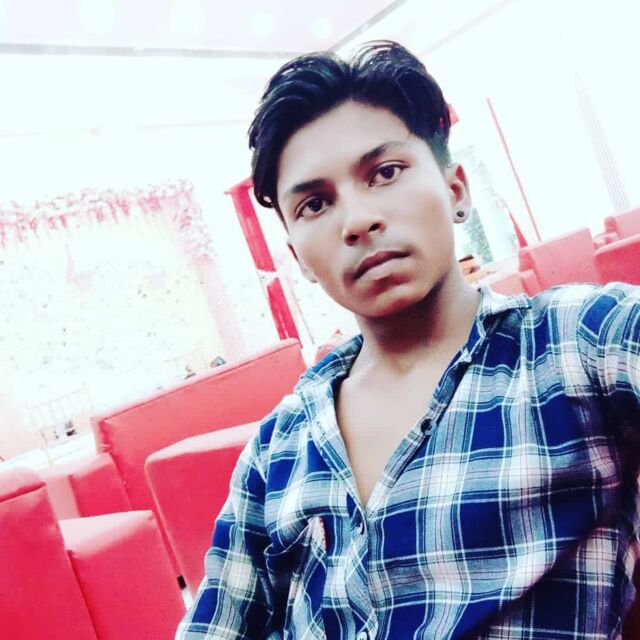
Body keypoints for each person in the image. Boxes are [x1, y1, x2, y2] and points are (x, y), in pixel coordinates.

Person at [176, 41, 640, 639]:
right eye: (315, 203)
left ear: (455, 190)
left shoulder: (575, 344)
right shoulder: (278, 446)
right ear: (299, 258)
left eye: (385, 173)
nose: (357, 220)